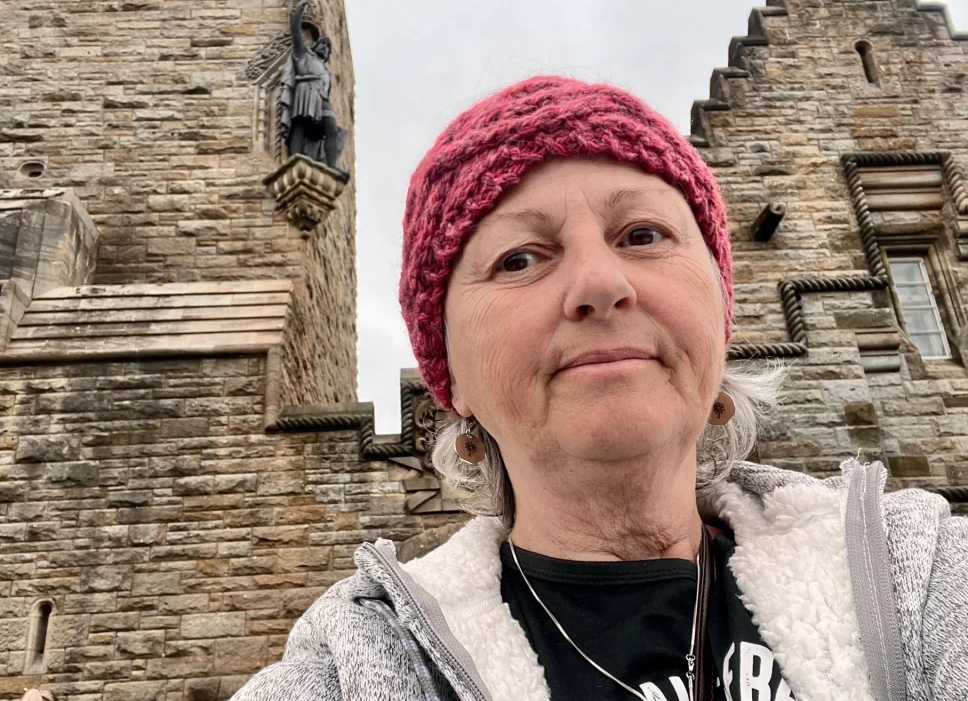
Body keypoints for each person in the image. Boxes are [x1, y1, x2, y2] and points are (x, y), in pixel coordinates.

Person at [233, 76, 968, 701]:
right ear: (450, 378)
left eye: (642, 235)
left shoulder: (921, 573)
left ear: (718, 313)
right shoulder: (362, 659)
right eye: (520, 258)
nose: (600, 284)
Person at [280, 0, 346, 175]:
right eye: (323, 45)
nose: (325, 48)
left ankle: (332, 167)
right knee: (300, 123)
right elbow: (295, 31)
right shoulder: (304, 55)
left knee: (331, 128)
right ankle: (293, 159)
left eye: (328, 48)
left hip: (321, 97)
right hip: (305, 91)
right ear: (316, 46)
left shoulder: (326, 71)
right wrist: (299, 10)